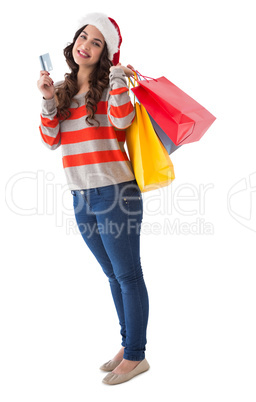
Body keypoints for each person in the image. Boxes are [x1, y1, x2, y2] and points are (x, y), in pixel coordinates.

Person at [37, 12, 149, 385]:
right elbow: (51, 139)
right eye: (83, 36)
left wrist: (118, 77)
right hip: (81, 196)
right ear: (74, 42)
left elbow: (121, 121)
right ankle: (128, 344)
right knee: (113, 275)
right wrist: (48, 99)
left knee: (128, 275)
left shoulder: (111, 84)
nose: (86, 44)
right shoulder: (65, 90)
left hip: (117, 192)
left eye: (97, 42)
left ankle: (136, 356)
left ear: (106, 53)